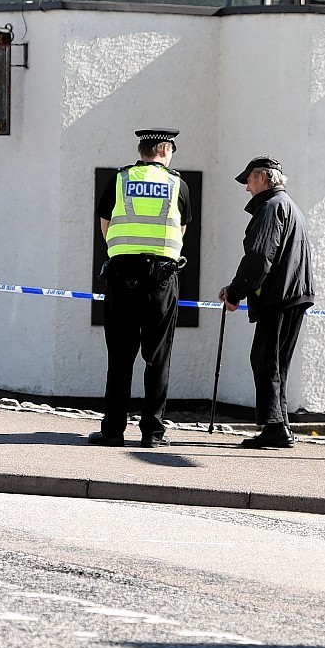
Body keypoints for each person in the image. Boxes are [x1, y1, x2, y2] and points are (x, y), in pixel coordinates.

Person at [89, 128, 192, 449]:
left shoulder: (119, 180)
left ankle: (113, 431)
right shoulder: (178, 184)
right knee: (157, 357)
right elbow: (182, 228)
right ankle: (153, 433)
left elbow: (105, 225)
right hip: (161, 278)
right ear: (165, 149)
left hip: (122, 275)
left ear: (142, 150)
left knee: (120, 356)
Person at [219, 155, 315, 449]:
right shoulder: (288, 205)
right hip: (292, 294)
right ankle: (280, 424)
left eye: (248, 180)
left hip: (279, 296)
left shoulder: (271, 208)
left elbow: (260, 257)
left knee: (265, 360)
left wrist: (235, 292)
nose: (247, 188)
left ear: (261, 177)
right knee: (275, 362)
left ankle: (275, 427)